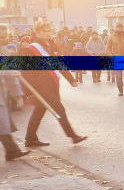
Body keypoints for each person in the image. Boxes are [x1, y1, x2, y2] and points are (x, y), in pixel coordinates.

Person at [19, 22, 87, 148]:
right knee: (59, 108)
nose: (47, 33)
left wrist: (70, 79)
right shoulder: (30, 49)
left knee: (39, 111)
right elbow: (26, 71)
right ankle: (73, 136)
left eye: (49, 31)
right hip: (40, 86)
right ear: (37, 33)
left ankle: (30, 139)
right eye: (44, 31)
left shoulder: (53, 45)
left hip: (52, 83)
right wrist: (30, 91)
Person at [0, 25, 28, 162]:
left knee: (2, 123)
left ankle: (12, 151)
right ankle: (12, 151)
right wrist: (9, 71)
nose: (3, 40)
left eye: (5, 37)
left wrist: (18, 94)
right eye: (0, 37)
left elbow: (11, 76)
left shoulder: (4, 50)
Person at [107, 22, 124, 95]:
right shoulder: (111, 37)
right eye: (118, 26)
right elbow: (108, 47)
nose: (120, 27)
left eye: (121, 26)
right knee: (118, 76)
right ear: (116, 27)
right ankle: (120, 90)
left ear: (123, 27)